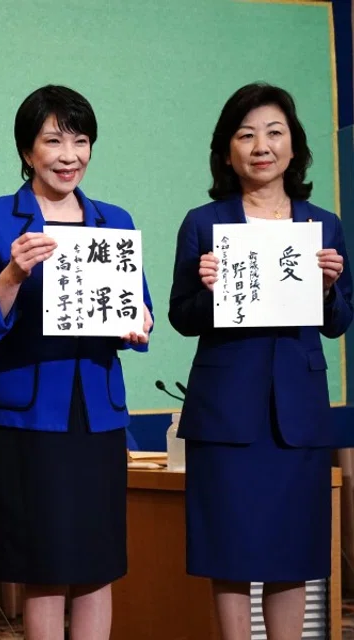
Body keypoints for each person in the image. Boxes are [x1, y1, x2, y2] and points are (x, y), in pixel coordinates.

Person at [0, 85, 153, 640]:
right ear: (27, 151)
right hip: (26, 412)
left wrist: (139, 321)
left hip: (96, 409)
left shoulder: (113, 220)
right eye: (53, 141)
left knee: (97, 564)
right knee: (41, 566)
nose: (69, 155)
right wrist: (12, 275)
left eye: (81, 141)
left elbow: (140, 310)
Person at [169, 82, 353, 640]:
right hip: (226, 413)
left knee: (291, 552)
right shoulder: (204, 223)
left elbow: (338, 321)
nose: (261, 146)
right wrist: (207, 290)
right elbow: (181, 315)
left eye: (275, 133)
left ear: (294, 147)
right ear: (227, 151)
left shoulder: (322, 225)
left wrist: (326, 287)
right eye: (245, 135)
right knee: (228, 551)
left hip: (296, 415)